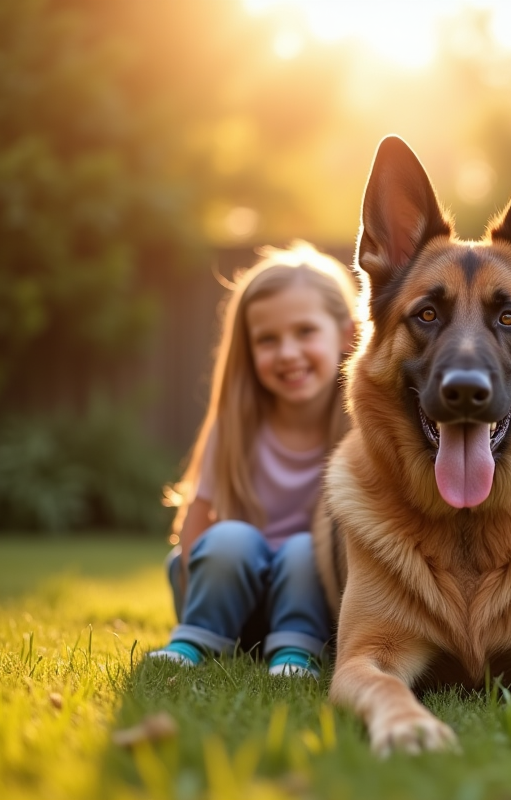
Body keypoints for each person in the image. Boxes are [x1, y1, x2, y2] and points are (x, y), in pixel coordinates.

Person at [148, 242, 357, 678]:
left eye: (304, 332)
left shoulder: (361, 432)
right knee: (231, 539)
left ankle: (296, 654)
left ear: (347, 335)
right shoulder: (236, 425)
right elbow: (197, 516)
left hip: (311, 599)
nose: (287, 353)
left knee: (305, 550)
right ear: (248, 348)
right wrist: (192, 587)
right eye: (268, 339)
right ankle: (193, 640)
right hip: (227, 597)